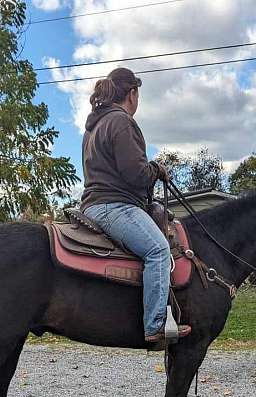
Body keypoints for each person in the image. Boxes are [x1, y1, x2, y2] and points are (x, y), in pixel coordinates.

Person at [80, 67, 191, 343]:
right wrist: (155, 170)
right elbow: (136, 174)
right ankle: (155, 324)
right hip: (115, 206)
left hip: (93, 204)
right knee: (158, 250)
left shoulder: (94, 127)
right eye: (137, 94)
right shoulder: (121, 122)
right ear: (132, 93)